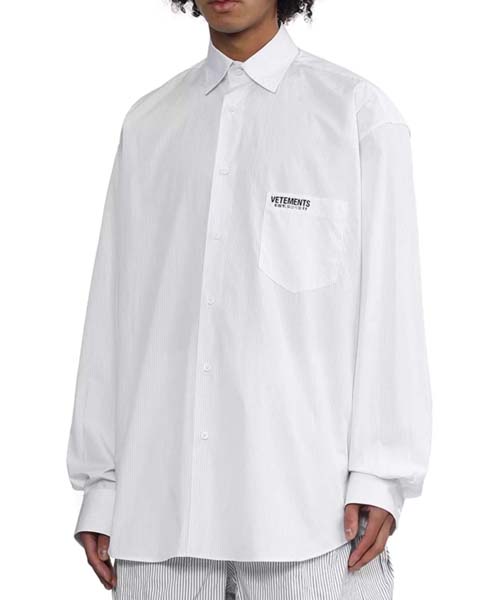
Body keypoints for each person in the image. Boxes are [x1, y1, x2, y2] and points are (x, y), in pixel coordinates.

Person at [66, 1, 432, 598]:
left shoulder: (356, 114)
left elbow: (390, 310)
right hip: (160, 522)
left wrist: (381, 474)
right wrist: (102, 485)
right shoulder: (149, 125)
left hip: (312, 520)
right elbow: (114, 309)